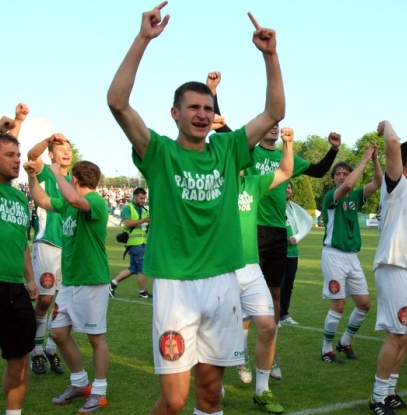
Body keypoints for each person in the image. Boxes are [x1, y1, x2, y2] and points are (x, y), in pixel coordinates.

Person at [106, 3, 285, 414]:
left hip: (223, 282)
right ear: (176, 113)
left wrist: (270, 56)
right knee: (172, 401)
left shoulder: (228, 148)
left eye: (208, 108)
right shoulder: (158, 152)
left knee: (209, 394)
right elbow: (117, 102)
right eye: (194, 108)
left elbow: (274, 113)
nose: (203, 114)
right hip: (175, 285)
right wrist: (142, 40)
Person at [208, 71, 340, 380]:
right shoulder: (249, 151)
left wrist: (333, 149)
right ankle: (240, 357)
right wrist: (212, 91)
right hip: (251, 231)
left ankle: (271, 355)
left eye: (278, 124)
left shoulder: (287, 158)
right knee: (242, 300)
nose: (275, 126)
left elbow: (320, 171)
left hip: (278, 232)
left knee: (275, 295)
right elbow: (221, 124)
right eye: (271, 123)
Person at [26, 160, 110, 414]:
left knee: (96, 338)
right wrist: (32, 176)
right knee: (59, 333)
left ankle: (99, 392)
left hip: (92, 280)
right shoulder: (67, 205)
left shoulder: (95, 201)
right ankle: (80, 384)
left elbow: (75, 200)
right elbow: (42, 199)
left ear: (74, 179)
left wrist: (56, 173)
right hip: (71, 282)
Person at [0, 117, 38, 415]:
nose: (17, 161)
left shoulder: (18, 195)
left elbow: (20, 242)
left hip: (15, 288)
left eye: (18, 154)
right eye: (10, 155)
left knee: (20, 357)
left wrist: (30, 279)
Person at [234, 126, 293, 414]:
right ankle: (215, 381)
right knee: (216, 331)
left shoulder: (253, 184)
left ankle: (262, 390)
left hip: (252, 268)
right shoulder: (217, 186)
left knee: (268, 326)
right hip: (223, 269)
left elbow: (284, 171)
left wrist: (289, 144)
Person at [368, 121, 407, 415]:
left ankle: (390, 391)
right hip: (393, 267)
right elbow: (393, 144)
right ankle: (377, 398)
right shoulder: (398, 183)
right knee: (396, 333)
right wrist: (386, 125)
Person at [321, 142, 382, 366]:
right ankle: (326, 348)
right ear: (333, 178)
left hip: (352, 257)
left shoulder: (355, 196)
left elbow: (378, 182)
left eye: (345, 173)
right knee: (338, 305)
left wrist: (375, 159)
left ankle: (345, 341)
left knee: (364, 304)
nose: (342, 176)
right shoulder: (331, 197)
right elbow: (348, 186)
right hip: (334, 255)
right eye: (338, 173)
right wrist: (364, 158)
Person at [26, 132, 73, 375]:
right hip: (46, 244)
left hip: (69, 249)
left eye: (68, 149)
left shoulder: (75, 180)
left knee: (64, 303)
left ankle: (52, 349)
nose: (66, 152)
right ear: (52, 154)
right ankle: (35, 350)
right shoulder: (45, 173)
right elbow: (31, 155)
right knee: (45, 300)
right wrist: (48, 139)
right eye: (61, 148)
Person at [279, 181, 313, 326]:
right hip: (278, 252)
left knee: (288, 285)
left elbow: (306, 222)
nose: (287, 190)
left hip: (293, 252)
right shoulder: (275, 207)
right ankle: (272, 315)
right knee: (276, 285)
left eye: (289, 187)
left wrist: (297, 237)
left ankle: (284, 315)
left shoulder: (294, 208)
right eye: (284, 187)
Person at [109, 187, 152, 299]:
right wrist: (144, 220)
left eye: (144, 198)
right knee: (142, 267)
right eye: (141, 198)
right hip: (134, 243)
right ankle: (143, 292)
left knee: (133, 268)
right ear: (135, 196)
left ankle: (112, 284)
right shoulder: (128, 208)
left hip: (141, 242)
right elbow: (128, 223)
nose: (143, 200)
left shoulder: (143, 210)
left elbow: (145, 226)